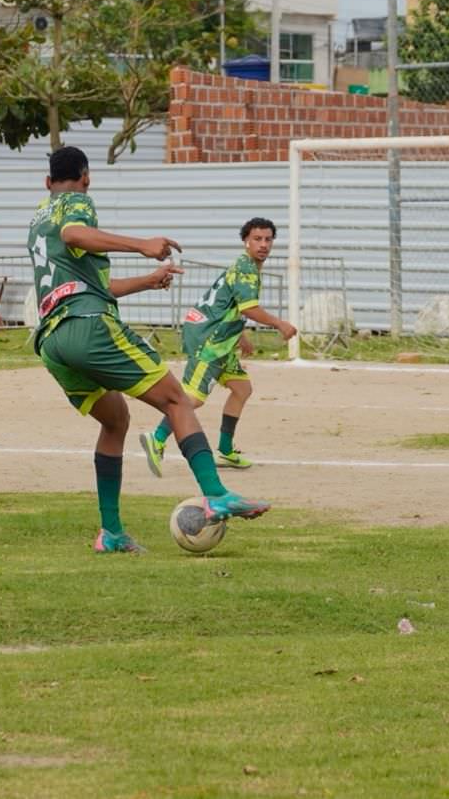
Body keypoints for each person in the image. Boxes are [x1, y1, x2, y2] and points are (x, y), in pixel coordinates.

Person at [29, 146, 270, 554]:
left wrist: (147, 280)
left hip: (52, 340)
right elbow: (74, 233)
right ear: (86, 178)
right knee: (177, 399)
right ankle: (215, 494)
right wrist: (143, 244)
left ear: (47, 181)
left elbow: (96, 285)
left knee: (115, 420)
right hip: (88, 327)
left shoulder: (39, 216)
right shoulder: (77, 203)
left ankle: (111, 533)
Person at [141, 217, 298, 474]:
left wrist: (240, 335)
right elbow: (249, 308)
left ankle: (225, 451)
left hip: (222, 338)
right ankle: (156, 439)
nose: (263, 244)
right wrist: (280, 324)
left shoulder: (247, 266)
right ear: (246, 241)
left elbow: (229, 305)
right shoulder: (246, 269)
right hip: (209, 339)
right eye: (257, 239)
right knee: (192, 398)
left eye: (268, 239)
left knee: (241, 389)